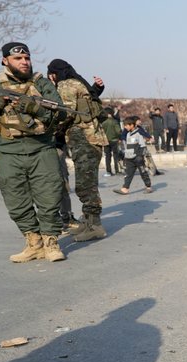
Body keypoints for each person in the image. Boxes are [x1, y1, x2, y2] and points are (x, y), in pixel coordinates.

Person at [0, 42, 66, 262]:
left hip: (41, 147)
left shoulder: (41, 83)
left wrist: (33, 107)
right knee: (15, 198)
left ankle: (51, 242)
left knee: (49, 195)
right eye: (18, 59)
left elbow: (60, 114)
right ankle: (34, 242)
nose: (24, 62)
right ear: (5, 61)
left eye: (27, 58)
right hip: (8, 149)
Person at [47, 58, 108, 242]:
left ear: (54, 73)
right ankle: (87, 222)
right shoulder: (78, 83)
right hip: (89, 138)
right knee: (85, 182)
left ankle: (95, 226)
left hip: (84, 138)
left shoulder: (65, 84)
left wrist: (49, 129)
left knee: (86, 184)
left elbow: (66, 113)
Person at [113, 117, 153, 195]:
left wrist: (140, 156)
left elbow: (142, 146)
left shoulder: (139, 133)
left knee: (143, 172)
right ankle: (125, 189)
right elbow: (127, 146)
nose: (125, 127)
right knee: (128, 174)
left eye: (126, 125)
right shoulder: (128, 134)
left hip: (137, 157)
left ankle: (148, 187)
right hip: (129, 158)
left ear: (132, 125)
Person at [101, 107, 121, 176]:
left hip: (106, 141)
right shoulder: (114, 122)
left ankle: (109, 171)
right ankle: (117, 170)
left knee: (107, 156)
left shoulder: (103, 123)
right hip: (114, 141)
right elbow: (118, 131)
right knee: (116, 156)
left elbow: (101, 132)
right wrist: (119, 137)